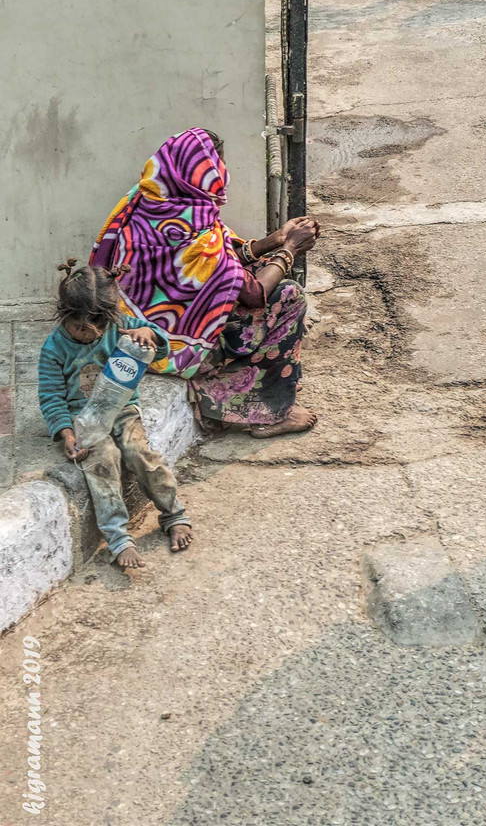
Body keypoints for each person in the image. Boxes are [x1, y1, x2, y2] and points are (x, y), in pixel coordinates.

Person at [90, 128, 320, 437]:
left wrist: (275, 240)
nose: (222, 174)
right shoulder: (194, 224)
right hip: (171, 346)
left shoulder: (148, 200)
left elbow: (217, 265)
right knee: (289, 295)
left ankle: (274, 377)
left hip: (141, 328)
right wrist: (289, 248)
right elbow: (253, 294)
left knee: (265, 267)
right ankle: (264, 412)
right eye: (217, 166)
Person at [38, 261, 192, 570]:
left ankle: (174, 513)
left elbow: (160, 347)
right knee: (102, 461)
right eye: (80, 327)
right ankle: (119, 538)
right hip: (83, 418)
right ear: (64, 315)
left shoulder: (120, 325)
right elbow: (51, 397)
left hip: (123, 410)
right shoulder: (54, 349)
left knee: (139, 453)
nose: (90, 333)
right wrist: (66, 433)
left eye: (98, 326)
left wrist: (150, 334)